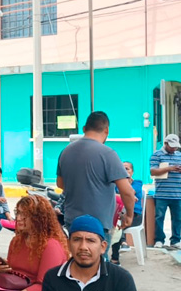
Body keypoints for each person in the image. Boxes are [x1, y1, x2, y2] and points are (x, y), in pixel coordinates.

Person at [56, 111, 136, 259]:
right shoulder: (108, 154)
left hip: (73, 221)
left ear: (84, 129)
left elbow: (60, 184)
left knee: (77, 262)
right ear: (107, 130)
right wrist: (129, 215)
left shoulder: (66, 151)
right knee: (97, 265)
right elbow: (127, 192)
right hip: (98, 224)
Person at [149, 133, 181, 249]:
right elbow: (153, 171)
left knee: (178, 218)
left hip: (178, 194)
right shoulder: (157, 155)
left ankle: (175, 240)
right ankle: (159, 240)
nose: (174, 149)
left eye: (175, 147)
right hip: (162, 193)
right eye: (171, 146)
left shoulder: (179, 155)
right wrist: (170, 168)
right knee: (159, 218)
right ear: (165, 143)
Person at [112, 161, 144, 264]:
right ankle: (122, 244)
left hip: (134, 216)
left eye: (127, 169)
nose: (124, 171)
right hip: (120, 215)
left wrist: (123, 196)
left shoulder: (137, 183)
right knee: (116, 223)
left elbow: (129, 193)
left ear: (132, 172)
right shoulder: (115, 184)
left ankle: (116, 257)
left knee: (117, 224)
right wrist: (126, 196)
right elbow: (114, 196)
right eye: (122, 169)